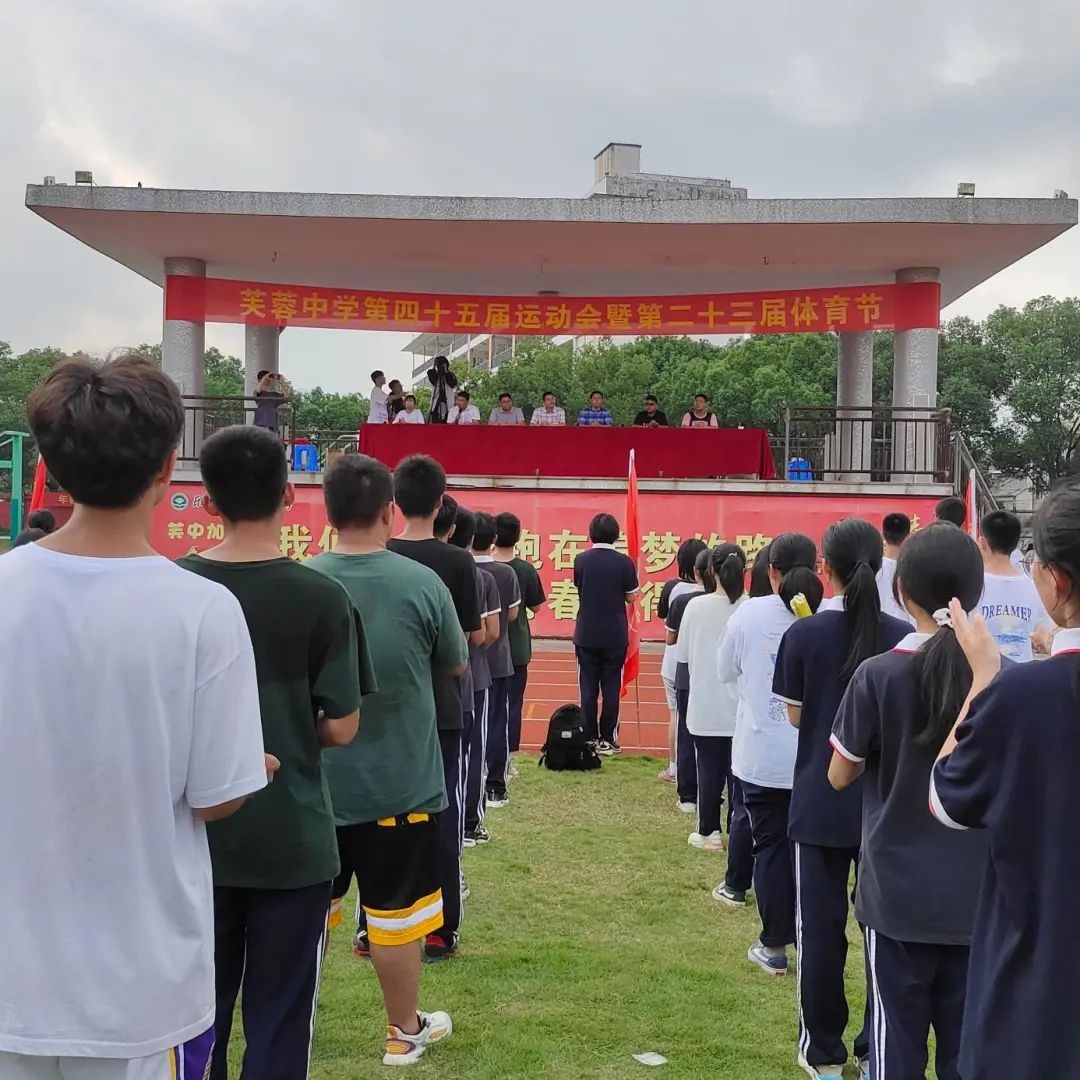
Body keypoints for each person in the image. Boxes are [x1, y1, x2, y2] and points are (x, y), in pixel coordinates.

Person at [0, 355, 268, 1078]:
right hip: (139, 987)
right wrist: (254, 765)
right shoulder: (203, 610)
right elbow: (218, 796)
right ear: (165, 468)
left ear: (52, 466)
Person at [178, 425, 369, 1079]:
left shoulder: (175, 588)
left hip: (194, 839)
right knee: (281, 1025)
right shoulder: (321, 596)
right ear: (291, 494)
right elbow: (342, 727)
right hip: (291, 842)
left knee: (192, 1025)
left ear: (206, 500)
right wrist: (287, 727)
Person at [310, 455, 466, 1067]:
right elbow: (454, 659)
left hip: (315, 788)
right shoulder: (421, 584)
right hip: (399, 786)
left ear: (326, 513)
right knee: (398, 918)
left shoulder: (306, 580)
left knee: (306, 914)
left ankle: (293, 1020)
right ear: (387, 512)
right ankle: (403, 1031)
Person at [930, 483, 1080, 1080]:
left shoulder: (1021, 697)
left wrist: (982, 677)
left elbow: (944, 798)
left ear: (1056, 581)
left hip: (1035, 996)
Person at [829, 522, 988, 1080]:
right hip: (977, 900)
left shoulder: (877, 676)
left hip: (896, 896)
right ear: (975, 593)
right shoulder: (1000, 681)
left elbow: (839, 774)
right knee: (966, 1054)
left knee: (893, 1046)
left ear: (903, 593)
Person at [773, 519, 910, 1080]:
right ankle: (873, 1044)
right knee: (882, 932)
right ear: (879, 567)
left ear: (822, 568)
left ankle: (822, 1047)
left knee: (821, 931)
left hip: (819, 801)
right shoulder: (901, 634)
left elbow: (797, 714)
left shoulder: (802, 636)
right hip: (882, 804)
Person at [387, 456, 483, 962]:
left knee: (384, 814)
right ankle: (441, 930)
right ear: (441, 501)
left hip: (383, 705)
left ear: (396, 502)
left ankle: (372, 926)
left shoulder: (379, 552)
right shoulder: (456, 562)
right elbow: (467, 640)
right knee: (441, 815)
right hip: (442, 707)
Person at [718, 533, 823, 976]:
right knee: (815, 855)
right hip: (820, 759)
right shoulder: (831, 617)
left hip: (763, 756)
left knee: (772, 849)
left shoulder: (748, 614)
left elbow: (727, 670)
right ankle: (816, 944)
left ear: (771, 572)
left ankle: (775, 946)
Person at [677, 545, 746, 852]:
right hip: (741, 708)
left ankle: (709, 832)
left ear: (710, 571)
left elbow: (684, 656)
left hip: (705, 704)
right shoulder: (750, 606)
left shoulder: (695, 607)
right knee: (738, 774)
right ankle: (738, 825)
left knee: (709, 769)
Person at [449, 508, 501, 849]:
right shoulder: (480, 577)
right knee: (471, 755)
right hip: (472, 676)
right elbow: (487, 633)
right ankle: (469, 824)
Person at [573, 513, 639, 753]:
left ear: (591, 534)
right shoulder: (624, 563)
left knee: (588, 687)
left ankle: (588, 736)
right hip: (614, 634)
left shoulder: (581, 560)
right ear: (616, 535)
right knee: (611, 687)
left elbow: (579, 587)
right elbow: (631, 595)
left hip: (587, 631)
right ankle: (609, 738)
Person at [471, 512, 521, 808]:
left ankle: (473, 785)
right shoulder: (505, 573)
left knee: (471, 725)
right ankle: (495, 787)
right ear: (493, 541)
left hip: (471, 659)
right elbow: (512, 615)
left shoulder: (464, 570)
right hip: (498, 659)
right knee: (497, 721)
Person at [494, 512, 546, 774]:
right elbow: (537, 606)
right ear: (518, 537)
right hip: (515, 647)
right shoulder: (524, 569)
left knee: (486, 705)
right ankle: (507, 761)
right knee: (513, 704)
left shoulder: (478, 567)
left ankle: (485, 758)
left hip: (484, 649)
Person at [658, 538, 708, 790]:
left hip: (675, 660)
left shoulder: (673, 589)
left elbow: (665, 621)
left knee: (676, 714)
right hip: (701, 662)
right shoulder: (712, 593)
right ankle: (700, 768)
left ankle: (675, 767)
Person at [976, 508, 1052, 662]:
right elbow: (1043, 635)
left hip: (982, 679)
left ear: (982, 543)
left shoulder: (973, 585)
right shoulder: (1036, 587)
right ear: (1016, 543)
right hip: (1023, 679)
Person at [876, 512, 912, 624]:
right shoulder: (914, 570)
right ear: (908, 536)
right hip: (908, 633)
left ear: (883, 535)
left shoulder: (874, 569)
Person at [427, 355, 458, 424]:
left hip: (448, 402)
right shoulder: (436, 375)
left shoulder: (451, 375)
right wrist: (434, 366)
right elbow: (432, 377)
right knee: (435, 423)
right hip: (436, 402)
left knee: (448, 421)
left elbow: (452, 383)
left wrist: (446, 371)